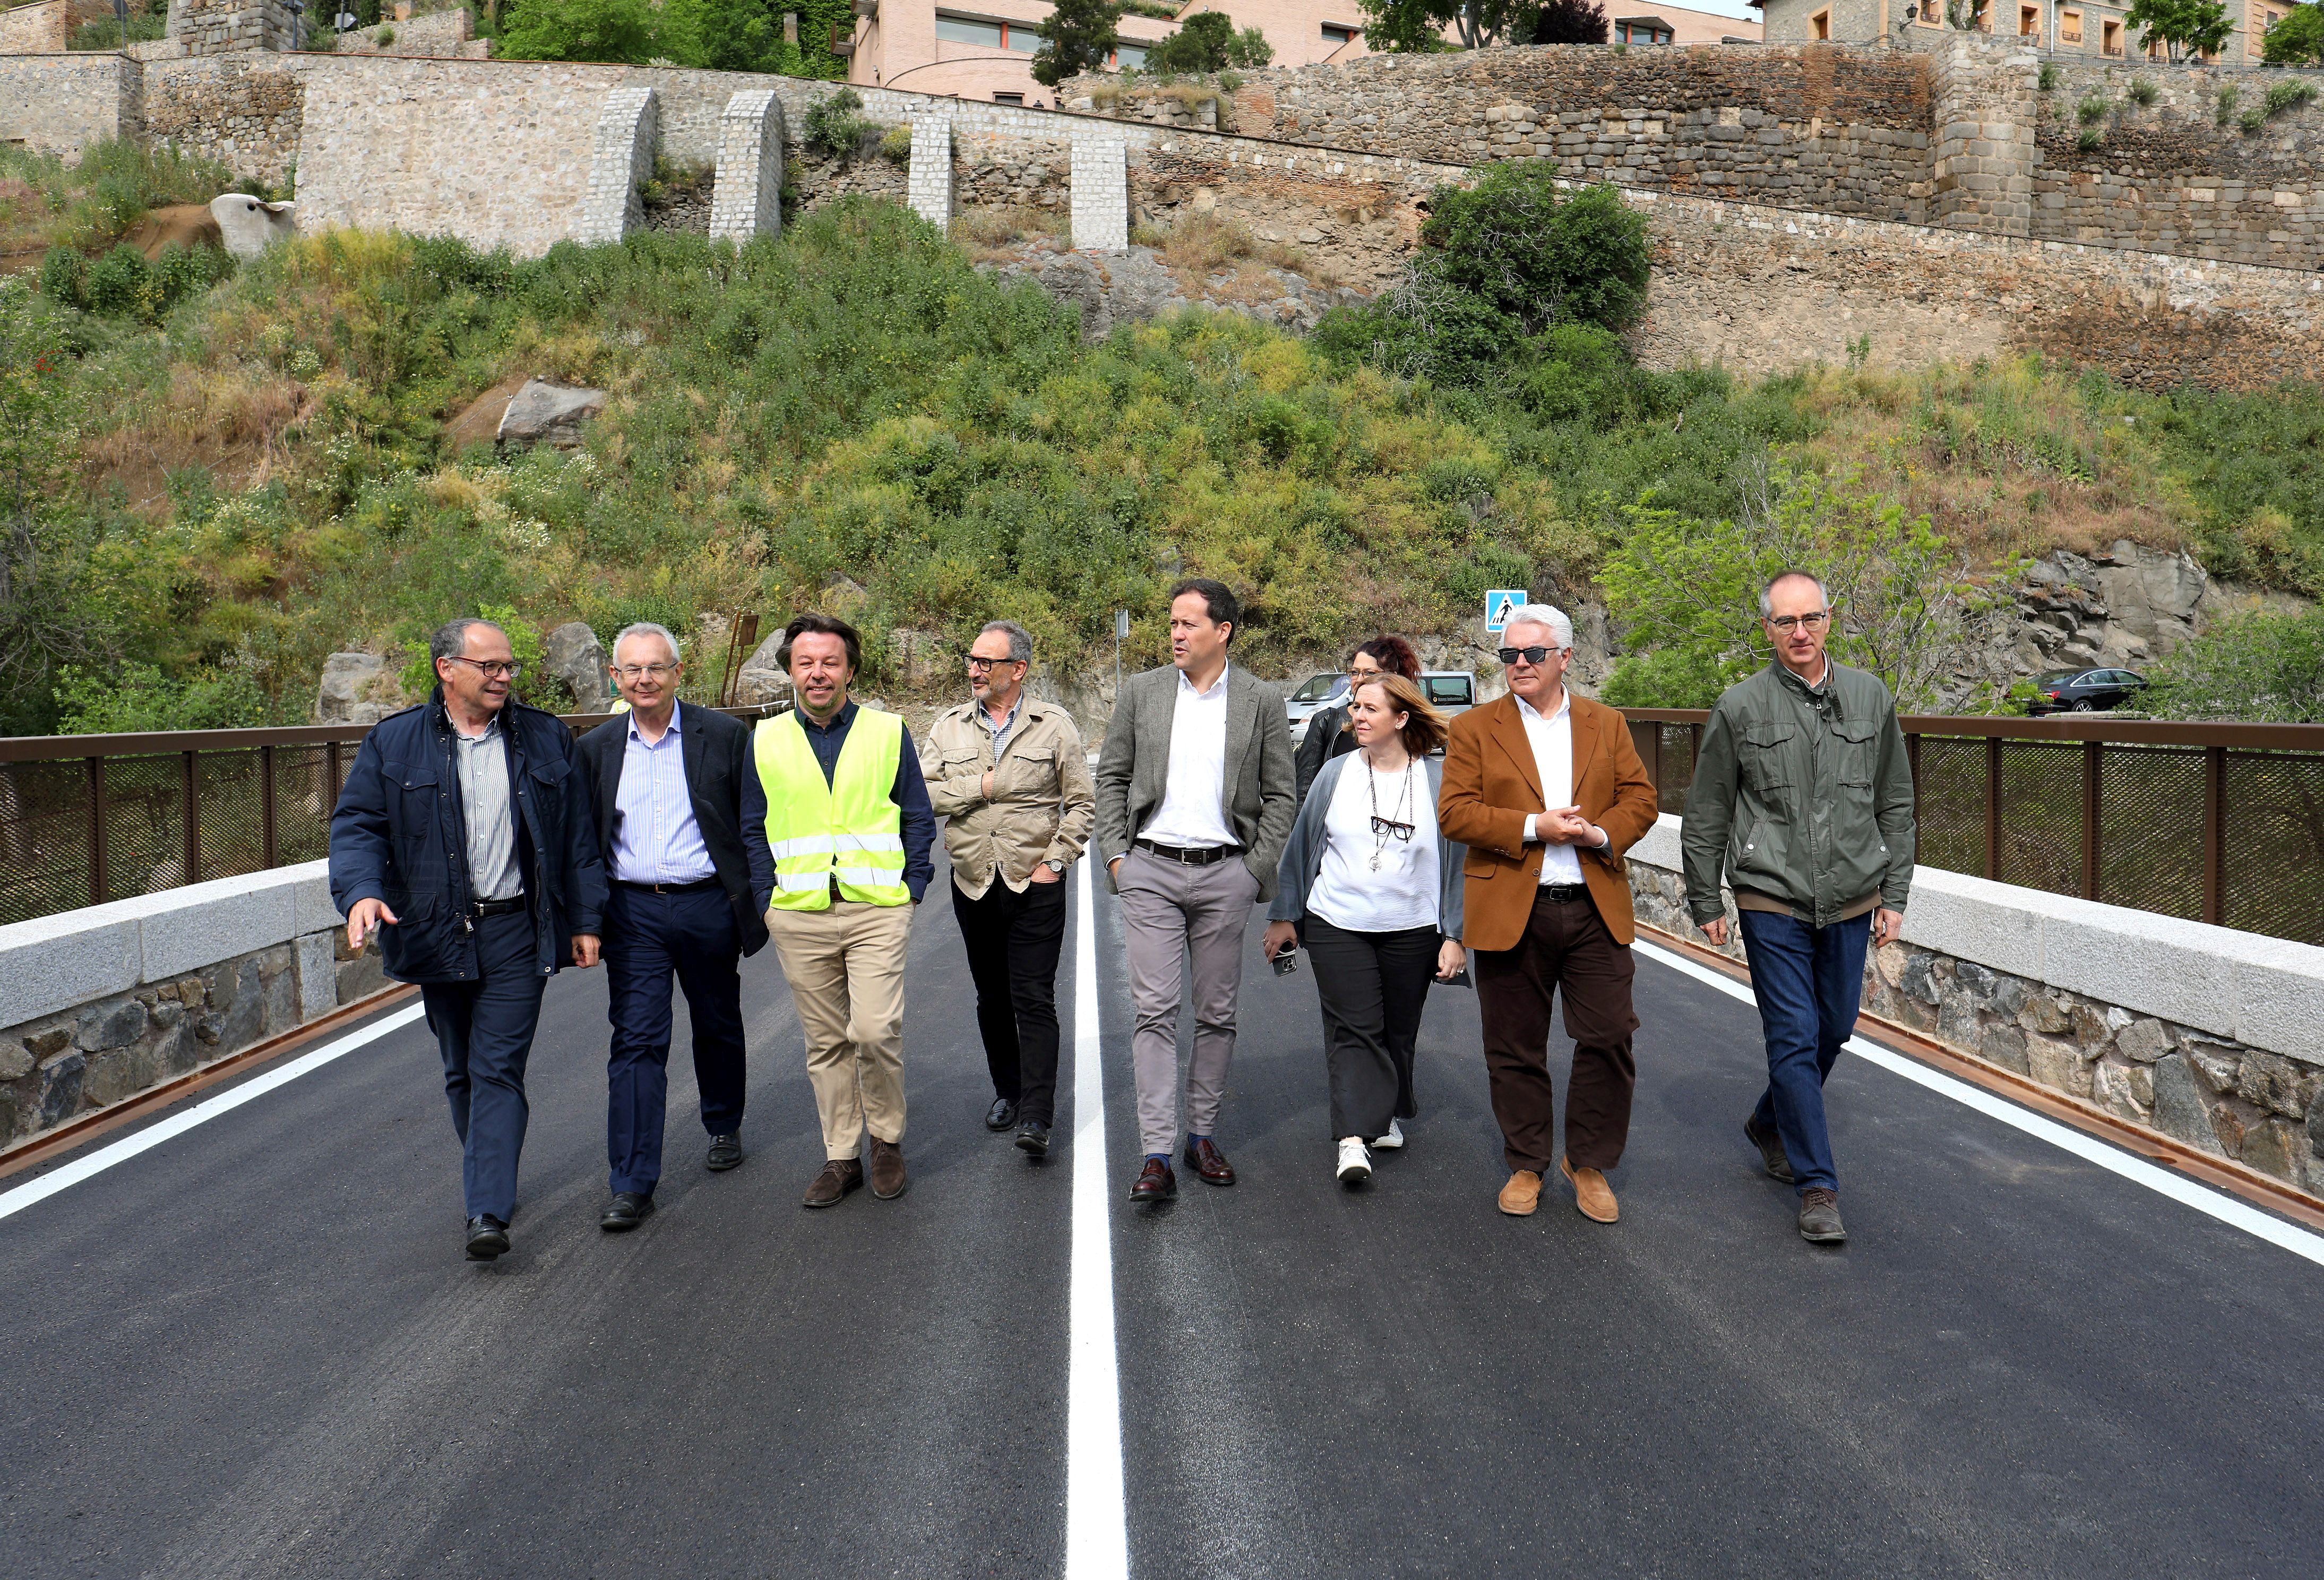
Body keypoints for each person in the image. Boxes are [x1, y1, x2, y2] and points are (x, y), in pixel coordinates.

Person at [330, 617, 607, 1262]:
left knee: (496, 1068)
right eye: (490, 666)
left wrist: (587, 921)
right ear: (446, 669)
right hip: (436, 930)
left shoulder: (544, 738)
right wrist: (362, 891)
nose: (504, 677)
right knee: (461, 1071)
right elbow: (357, 827)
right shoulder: (394, 742)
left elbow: (578, 842)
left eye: (509, 667)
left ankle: (486, 1208)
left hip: (517, 926)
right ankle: (490, 1167)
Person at [1680, 571, 1915, 1246]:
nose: (1800, 633)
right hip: (1770, 895)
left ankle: (1769, 1121)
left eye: (1810, 618)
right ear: (1768, 630)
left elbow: (1894, 804)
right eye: (1785, 622)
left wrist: (1893, 896)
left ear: (1830, 619)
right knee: (1790, 1034)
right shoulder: (1740, 706)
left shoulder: (1871, 699)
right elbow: (1709, 811)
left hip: (1851, 896)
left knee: (1831, 1029)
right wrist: (1706, 897)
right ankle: (1818, 1185)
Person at [1437, 604, 1659, 1223]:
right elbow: (1454, 814)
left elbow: (1641, 799)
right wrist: (1534, 826)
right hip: (1512, 903)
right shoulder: (1475, 729)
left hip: (1592, 904)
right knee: (1513, 1045)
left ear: (1564, 657)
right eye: (1509, 655)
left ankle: (1586, 1163)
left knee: (1610, 1036)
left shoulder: (1605, 723)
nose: (1519, 665)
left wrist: (1598, 835)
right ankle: (1527, 1161)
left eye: (1532, 654)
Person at [1095, 578, 1296, 1203]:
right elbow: (1112, 778)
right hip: (1150, 870)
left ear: (1223, 631)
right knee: (1154, 1011)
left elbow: (1281, 795)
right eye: (1172, 623)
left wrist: (1253, 873)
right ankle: (1156, 1152)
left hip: (1224, 874)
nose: (1176, 634)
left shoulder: (1261, 700)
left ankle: (1200, 1135)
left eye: (1188, 623)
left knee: (1216, 1014)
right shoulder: (1143, 691)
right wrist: (1116, 860)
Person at [576, 623, 775, 1233]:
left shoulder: (723, 736)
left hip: (706, 904)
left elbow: (753, 822)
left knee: (716, 1021)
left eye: (656, 668)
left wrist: (760, 901)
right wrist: (586, 919)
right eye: (632, 670)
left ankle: (722, 1121)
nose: (644, 679)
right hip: (633, 912)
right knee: (636, 1041)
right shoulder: (597, 748)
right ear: (615, 678)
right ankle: (632, 1181)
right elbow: (583, 843)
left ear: (678, 673)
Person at [752, 612, 937, 1209]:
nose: (818, 672)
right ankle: (842, 1156)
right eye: (806, 662)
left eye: (830, 662)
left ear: (850, 670)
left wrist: (913, 886)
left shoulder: (887, 731)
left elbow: (916, 813)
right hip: (799, 911)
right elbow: (752, 828)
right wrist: (766, 902)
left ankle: (886, 1141)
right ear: (790, 671)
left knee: (876, 1029)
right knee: (826, 1041)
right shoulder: (766, 738)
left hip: (876, 907)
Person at [1264, 673, 1467, 1187]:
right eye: (1355, 707)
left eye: (1370, 709)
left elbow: (1459, 864)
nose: (1357, 715)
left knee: (1397, 1030)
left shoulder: (1439, 781)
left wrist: (1455, 935)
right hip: (1338, 921)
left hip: (1413, 927)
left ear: (1401, 719)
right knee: (1354, 1027)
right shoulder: (1336, 774)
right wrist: (1285, 916)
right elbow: (1300, 848)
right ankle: (1353, 1139)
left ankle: (1384, 1110)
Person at [920, 620, 1095, 1158]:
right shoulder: (947, 727)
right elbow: (920, 792)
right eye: (971, 659)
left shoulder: (1054, 726)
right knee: (991, 997)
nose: (973, 670)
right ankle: (1008, 1091)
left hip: (1033, 882)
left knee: (1033, 998)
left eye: (985, 662)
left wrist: (1057, 863)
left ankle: (1037, 1116)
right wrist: (982, 787)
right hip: (972, 881)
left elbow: (1082, 804)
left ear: (1017, 670)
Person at [1293, 635, 1424, 804]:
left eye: (1370, 673)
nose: (1360, 680)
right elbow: (1304, 793)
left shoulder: (1408, 722)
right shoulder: (1326, 722)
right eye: (1355, 673)